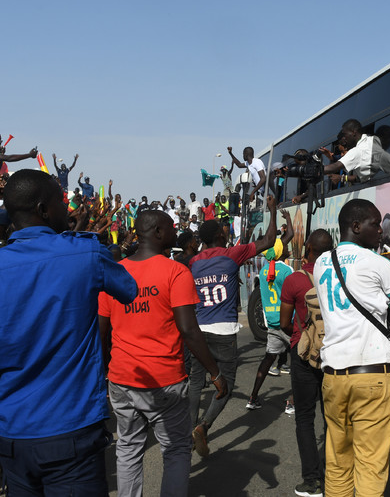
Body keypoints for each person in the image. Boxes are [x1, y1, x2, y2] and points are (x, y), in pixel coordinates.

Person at [0, 169, 137, 495]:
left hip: (13, 435)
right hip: (71, 430)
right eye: (62, 202)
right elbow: (128, 289)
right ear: (44, 210)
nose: (68, 210)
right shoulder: (85, 254)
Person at [98, 210, 228, 497]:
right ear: (157, 232)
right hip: (164, 381)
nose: (176, 233)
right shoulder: (175, 271)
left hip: (121, 379)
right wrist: (215, 372)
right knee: (176, 450)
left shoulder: (113, 272)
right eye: (171, 228)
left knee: (128, 450)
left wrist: (104, 373)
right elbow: (189, 330)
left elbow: (101, 333)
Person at [314, 198, 390, 496]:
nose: (381, 230)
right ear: (356, 226)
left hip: (332, 378)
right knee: (370, 467)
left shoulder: (321, 262)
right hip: (371, 377)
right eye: (375, 224)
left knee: (338, 464)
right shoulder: (378, 264)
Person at [188, 195, 279, 456]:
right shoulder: (231, 255)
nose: (226, 231)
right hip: (224, 333)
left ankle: (188, 430)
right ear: (218, 234)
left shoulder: (194, 263)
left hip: (199, 331)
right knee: (225, 385)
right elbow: (269, 241)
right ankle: (203, 427)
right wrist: (272, 211)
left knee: (196, 383)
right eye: (224, 229)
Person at [280, 228, 333, 497]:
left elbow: (284, 323)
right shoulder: (339, 278)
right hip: (335, 354)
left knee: (304, 417)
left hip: (303, 354)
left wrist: (302, 337)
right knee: (333, 418)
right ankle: (337, 478)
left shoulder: (295, 280)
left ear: (308, 248)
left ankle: (312, 481)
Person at [246, 210, 294, 410]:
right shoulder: (287, 270)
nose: (288, 247)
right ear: (281, 251)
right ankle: (291, 403)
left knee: (268, 360)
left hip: (272, 323)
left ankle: (253, 397)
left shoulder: (265, 271)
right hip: (289, 324)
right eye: (285, 246)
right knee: (301, 365)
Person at [320, 119, 390, 184]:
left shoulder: (359, 150)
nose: (344, 138)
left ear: (353, 132)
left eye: (345, 134)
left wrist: (313, 170)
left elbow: (334, 167)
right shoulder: (369, 141)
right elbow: (362, 178)